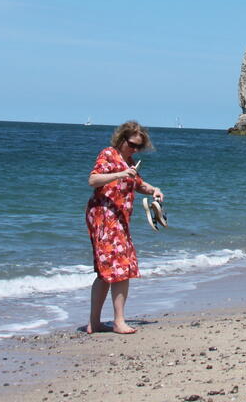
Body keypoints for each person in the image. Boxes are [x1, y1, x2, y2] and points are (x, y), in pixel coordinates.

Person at [85, 120, 163, 334]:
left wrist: (154, 190)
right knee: (121, 267)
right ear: (121, 139)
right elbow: (93, 180)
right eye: (132, 144)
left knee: (109, 271)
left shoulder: (130, 161)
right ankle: (118, 321)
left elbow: (138, 184)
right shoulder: (108, 155)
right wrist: (120, 174)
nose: (135, 149)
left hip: (119, 220)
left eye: (139, 147)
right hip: (103, 217)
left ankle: (95, 323)